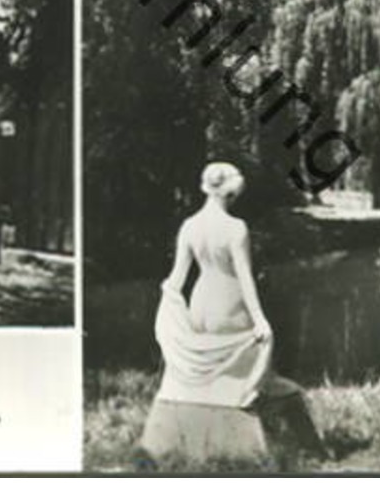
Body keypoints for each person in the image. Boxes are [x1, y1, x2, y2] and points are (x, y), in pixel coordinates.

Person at [136, 162, 318, 468]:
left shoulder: (190, 226)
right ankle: (275, 445)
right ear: (231, 192)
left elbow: (175, 281)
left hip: (199, 303)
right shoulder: (236, 228)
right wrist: (260, 318)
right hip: (229, 303)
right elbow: (244, 278)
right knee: (247, 372)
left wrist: (167, 311)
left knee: (210, 374)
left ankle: (194, 444)